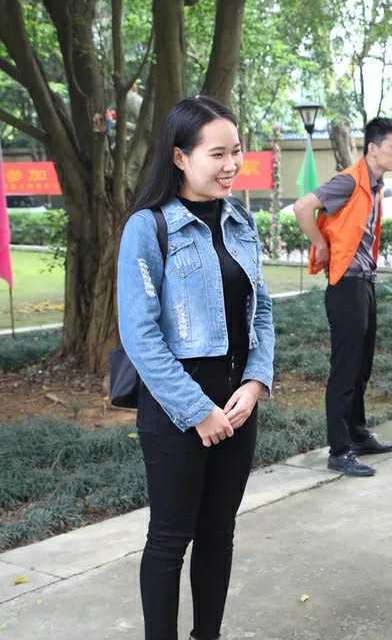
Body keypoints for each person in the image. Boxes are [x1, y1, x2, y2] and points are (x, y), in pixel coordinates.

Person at [116, 96, 274, 640]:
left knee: (218, 533)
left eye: (237, 151)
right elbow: (140, 334)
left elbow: (262, 310)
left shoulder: (241, 221)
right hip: (176, 407)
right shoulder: (148, 227)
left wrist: (255, 383)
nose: (232, 164)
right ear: (180, 157)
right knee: (169, 539)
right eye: (217, 154)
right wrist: (196, 410)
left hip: (238, 402)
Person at [293, 117, 392, 477]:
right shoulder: (349, 181)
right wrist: (321, 245)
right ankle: (339, 450)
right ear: (373, 149)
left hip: (364, 283)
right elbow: (302, 207)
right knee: (345, 370)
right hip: (346, 286)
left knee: (362, 366)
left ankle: (357, 434)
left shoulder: (374, 186)